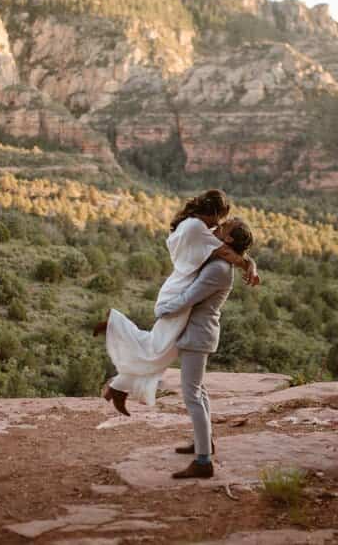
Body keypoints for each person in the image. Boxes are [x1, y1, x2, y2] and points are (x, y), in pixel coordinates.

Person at [94, 190, 258, 416]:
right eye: (219, 218)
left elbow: (228, 250)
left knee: (162, 349)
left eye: (223, 223)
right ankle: (115, 325)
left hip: (180, 286)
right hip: (181, 292)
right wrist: (250, 266)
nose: (218, 224)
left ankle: (117, 387)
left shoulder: (195, 225)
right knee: (158, 346)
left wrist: (251, 264)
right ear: (211, 212)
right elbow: (231, 254)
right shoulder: (196, 228)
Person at [162, 217, 254, 479]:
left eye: (225, 227)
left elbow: (190, 297)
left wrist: (164, 310)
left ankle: (203, 461)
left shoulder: (219, 270)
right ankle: (204, 442)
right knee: (199, 391)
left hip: (198, 334)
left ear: (230, 240)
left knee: (191, 394)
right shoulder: (222, 260)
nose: (219, 226)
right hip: (199, 333)